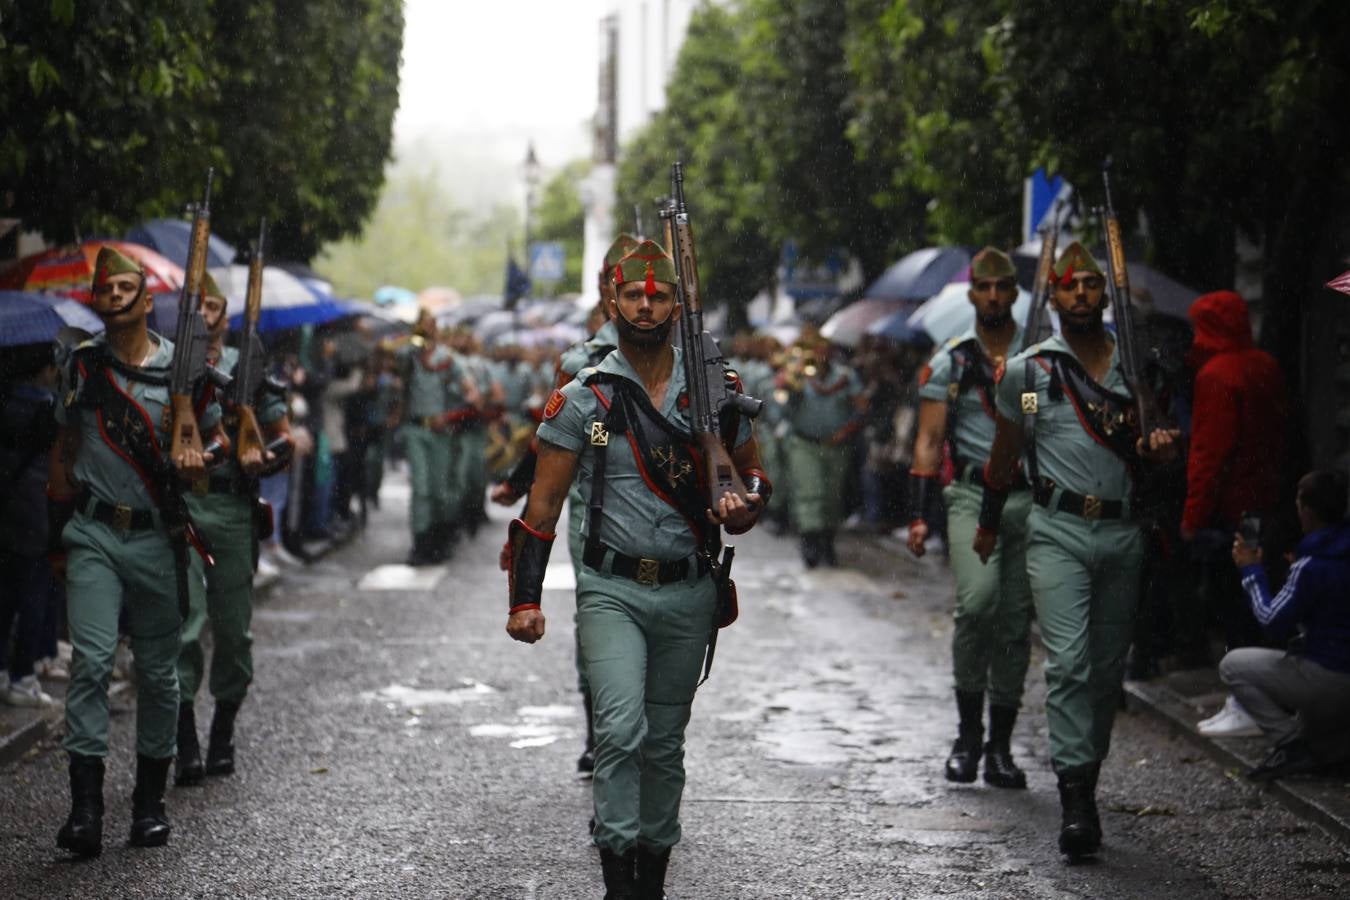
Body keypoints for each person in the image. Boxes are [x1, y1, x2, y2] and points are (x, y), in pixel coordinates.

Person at [505, 239, 768, 898]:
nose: (646, 306)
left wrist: (745, 505)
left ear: (676, 303)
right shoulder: (586, 398)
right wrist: (525, 598)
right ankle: (618, 877)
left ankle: (651, 876)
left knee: (664, 743)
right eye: (633, 295)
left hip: (688, 589)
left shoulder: (717, 391)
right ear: (612, 302)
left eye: (658, 295)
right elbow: (541, 509)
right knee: (619, 731)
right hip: (611, 590)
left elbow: (752, 473)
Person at [974, 241, 1180, 859]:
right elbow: (1007, 451)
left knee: (1105, 670)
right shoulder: (1032, 373)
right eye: (1070, 286)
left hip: (1123, 533)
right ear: (1054, 297)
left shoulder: (1139, 370)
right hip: (1056, 530)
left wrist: (1162, 452)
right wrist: (988, 521)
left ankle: (1086, 775)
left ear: (1105, 295)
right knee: (1068, 663)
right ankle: (1075, 801)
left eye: (1092, 284)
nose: (1083, 294)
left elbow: (1158, 452)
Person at [47, 246, 225, 857]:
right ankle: (86, 810)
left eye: (128, 290)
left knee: (158, 670)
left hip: (158, 536)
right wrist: (55, 536)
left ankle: (148, 803)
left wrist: (199, 459)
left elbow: (214, 446)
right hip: (95, 533)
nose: (116, 298)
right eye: (107, 291)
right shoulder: (82, 367)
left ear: (148, 302)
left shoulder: (187, 374)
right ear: (96, 301)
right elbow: (64, 450)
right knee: (92, 662)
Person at [493, 232, 638, 778]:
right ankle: (601, 730)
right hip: (593, 512)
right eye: (624, 282)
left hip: (662, 516)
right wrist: (520, 486)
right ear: (606, 288)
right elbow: (550, 441)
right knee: (600, 619)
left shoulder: (680, 359)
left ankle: (643, 740)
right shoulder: (583, 360)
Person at [908, 247, 1034, 790]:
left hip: (1028, 500)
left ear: (1013, 292)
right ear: (972, 294)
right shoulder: (953, 361)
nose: (992, 296)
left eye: (1002, 287)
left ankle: (1000, 748)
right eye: (983, 287)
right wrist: (918, 517)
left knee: (1014, 621)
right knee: (978, 601)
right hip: (968, 494)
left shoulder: (1040, 356)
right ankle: (966, 736)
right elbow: (929, 440)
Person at [174, 274, 292, 786]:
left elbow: (285, 440)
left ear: (226, 313)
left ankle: (222, 729)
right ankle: (182, 740)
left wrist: (259, 455)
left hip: (231, 507)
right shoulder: (168, 363)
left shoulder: (249, 365)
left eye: (214, 304)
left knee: (233, 630)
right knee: (182, 625)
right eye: (196, 305)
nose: (205, 312)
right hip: (182, 508)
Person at [1178, 290, 1289, 736]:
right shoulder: (1265, 366)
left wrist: (1192, 516)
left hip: (1231, 512)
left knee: (1233, 606)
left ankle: (1246, 702)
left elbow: (1209, 453)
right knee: (1259, 603)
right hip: (1267, 504)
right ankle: (1256, 698)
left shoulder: (1216, 376)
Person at [1224, 469, 1350, 780]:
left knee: (1232, 665)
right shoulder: (1333, 554)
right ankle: (1330, 745)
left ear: (1306, 509)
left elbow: (1271, 620)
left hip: (1327, 677)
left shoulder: (1310, 566)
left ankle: (1290, 743)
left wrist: (1251, 572)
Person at [0, 342, 61, 707]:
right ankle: (24, 676)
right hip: (38, 510)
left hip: (6, 507)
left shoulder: (4, 401)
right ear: (44, 369)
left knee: (4, 594)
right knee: (36, 592)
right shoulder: (49, 410)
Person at [393, 311, 478, 565]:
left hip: (442, 431)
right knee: (421, 488)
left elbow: (471, 394)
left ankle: (440, 538)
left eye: (428, 326)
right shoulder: (410, 356)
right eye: (421, 326)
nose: (425, 331)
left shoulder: (448, 359)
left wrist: (452, 416)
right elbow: (387, 358)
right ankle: (420, 542)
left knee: (441, 490)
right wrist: (410, 341)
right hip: (416, 428)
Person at [777, 332, 864, 567]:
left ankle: (827, 541)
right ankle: (810, 542)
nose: (819, 355)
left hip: (837, 446)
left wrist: (845, 432)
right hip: (805, 443)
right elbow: (783, 405)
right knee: (809, 492)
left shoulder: (846, 376)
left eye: (823, 349)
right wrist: (789, 384)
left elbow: (861, 408)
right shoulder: (798, 374)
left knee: (832, 495)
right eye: (814, 350)